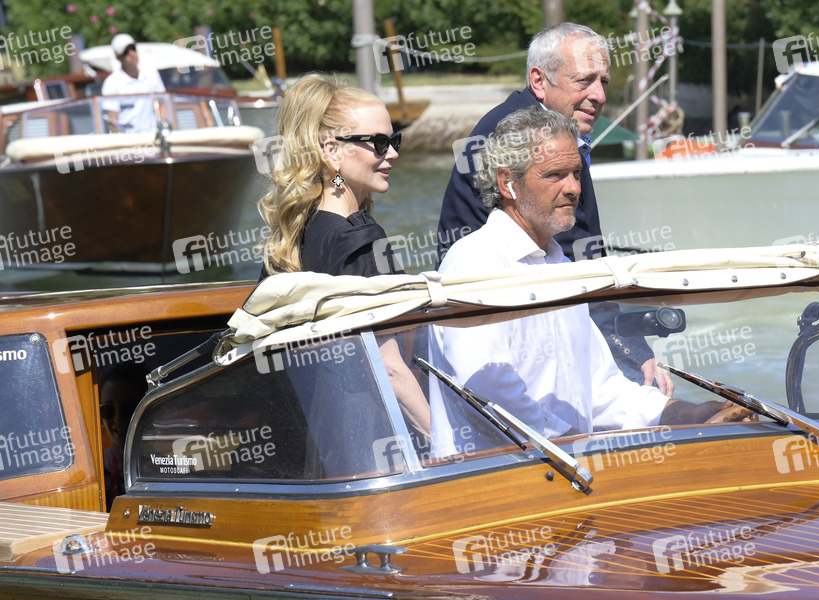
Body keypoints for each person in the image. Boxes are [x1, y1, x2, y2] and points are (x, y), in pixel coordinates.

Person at [428, 108, 745, 456]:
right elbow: (486, 395)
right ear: (508, 184)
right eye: (555, 175)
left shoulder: (562, 268)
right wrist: (575, 445)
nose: (574, 188)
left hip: (566, 471)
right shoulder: (474, 263)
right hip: (489, 480)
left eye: (576, 173)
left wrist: (688, 414)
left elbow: (600, 389)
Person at [436, 22, 672, 395]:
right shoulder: (526, 134)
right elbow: (577, 255)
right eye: (584, 81)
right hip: (505, 325)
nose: (599, 95)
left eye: (604, 82)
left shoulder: (550, 128)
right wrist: (631, 350)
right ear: (539, 81)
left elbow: (579, 254)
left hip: (532, 308)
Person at [257, 73, 430, 436]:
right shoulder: (359, 240)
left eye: (393, 140)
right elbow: (391, 370)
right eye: (379, 143)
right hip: (372, 438)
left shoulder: (293, 236)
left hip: (322, 435)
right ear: (332, 151)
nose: (393, 153)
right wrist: (447, 443)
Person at [99, 363, 147, 510]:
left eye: (128, 408)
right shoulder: (95, 473)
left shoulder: (164, 468)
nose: (118, 418)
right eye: (108, 409)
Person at [100, 33, 166, 133]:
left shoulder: (151, 73)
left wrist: (163, 130)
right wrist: (126, 140)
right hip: (129, 139)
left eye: (133, 48)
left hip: (153, 136)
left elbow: (162, 104)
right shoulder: (111, 83)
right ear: (118, 57)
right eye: (125, 52)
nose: (132, 54)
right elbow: (112, 121)